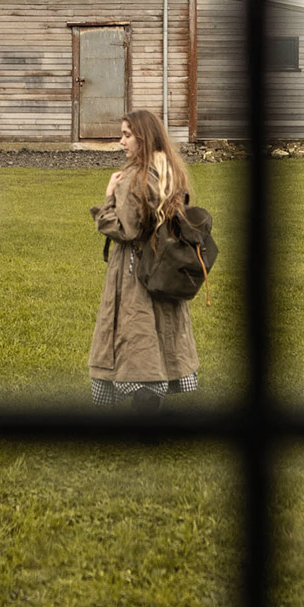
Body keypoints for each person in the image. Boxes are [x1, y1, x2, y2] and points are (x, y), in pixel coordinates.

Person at [88, 108, 200, 412]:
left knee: (137, 339)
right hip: (163, 265)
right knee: (158, 337)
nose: (121, 142)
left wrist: (107, 199)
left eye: (127, 135)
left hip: (135, 268)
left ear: (143, 137)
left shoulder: (135, 177)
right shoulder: (168, 170)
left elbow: (125, 229)